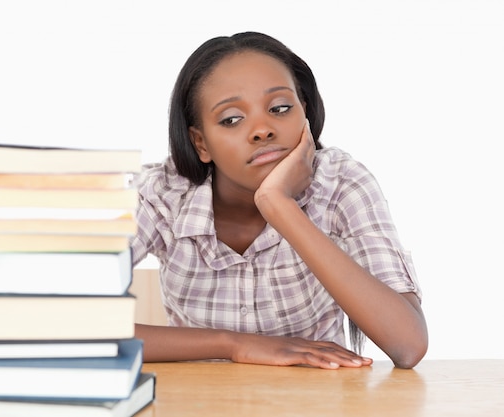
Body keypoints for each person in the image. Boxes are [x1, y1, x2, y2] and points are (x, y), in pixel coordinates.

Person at [130, 31, 428, 369]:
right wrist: (235, 345)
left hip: (319, 399)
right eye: (231, 119)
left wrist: (279, 205)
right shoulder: (160, 193)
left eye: (280, 108)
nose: (262, 130)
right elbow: (60, 324)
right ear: (201, 143)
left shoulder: (342, 182)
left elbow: (408, 344)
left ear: (304, 112)